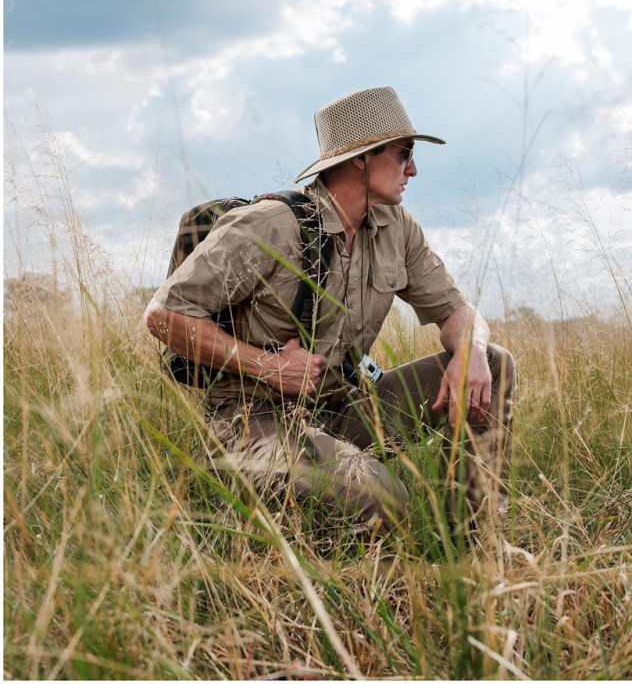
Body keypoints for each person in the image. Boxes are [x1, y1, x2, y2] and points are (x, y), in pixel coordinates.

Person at [144, 86, 515, 532]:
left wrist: (470, 350)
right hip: (251, 421)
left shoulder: (396, 227)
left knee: (496, 364)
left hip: (340, 410)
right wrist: (267, 367)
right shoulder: (270, 225)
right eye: (404, 153)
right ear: (360, 158)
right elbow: (164, 314)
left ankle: (478, 544)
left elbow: (456, 309)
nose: (413, 169)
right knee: (384, 497)